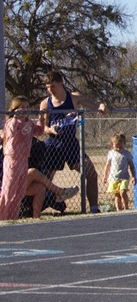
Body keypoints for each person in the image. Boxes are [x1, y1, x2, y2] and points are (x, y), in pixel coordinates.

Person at [39, 70, 108, 214]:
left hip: (71, 144)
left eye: (53, 86)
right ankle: (38, 208)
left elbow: (94, 104)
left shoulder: (73, 98)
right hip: (53, 144)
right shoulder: (45, 104)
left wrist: (101, 106)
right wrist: (50, 130)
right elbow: (41, 127)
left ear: (61, 84)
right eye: (47, 87)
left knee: (91, 173)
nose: (50, 90)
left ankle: (94, 208)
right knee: (45, 178)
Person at [102, 132, 136, 211]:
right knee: (117, 195)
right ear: (112, 145)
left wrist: (134, 176)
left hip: (124, 177)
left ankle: (126, 208)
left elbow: (131, 166)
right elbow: (107, 166)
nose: (118, 148)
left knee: (123, 192)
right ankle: (118, 209)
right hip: (114, 177)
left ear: (124, 144)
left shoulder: (126, 154)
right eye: (116, 146)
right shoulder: (111, 153)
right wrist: (105, 176)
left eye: (120, 146)